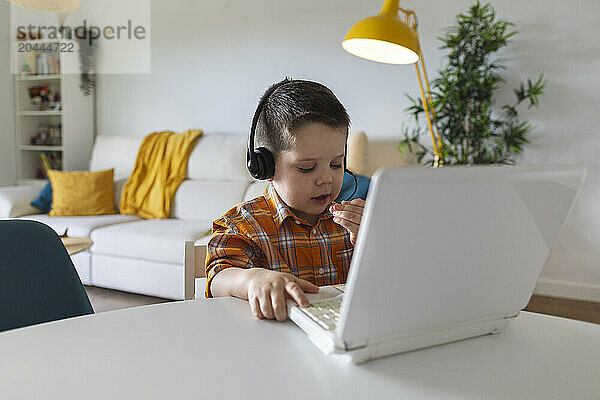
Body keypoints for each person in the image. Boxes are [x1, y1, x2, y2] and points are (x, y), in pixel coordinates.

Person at [205, 78, 365, 321]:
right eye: (307, 168)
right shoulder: (245, 225)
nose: (326, 179)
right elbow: (219, 278)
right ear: (265, 167)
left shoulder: (356, 221)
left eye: (336, 164)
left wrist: (373, 241)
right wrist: (252, 280)